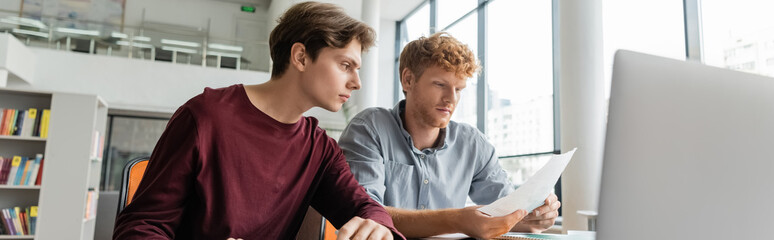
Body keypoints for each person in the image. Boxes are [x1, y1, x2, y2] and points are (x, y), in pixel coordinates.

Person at [113, 2, 404, 239]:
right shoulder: (204, 117)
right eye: (345, 65)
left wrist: (377, 226)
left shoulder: (319, 148)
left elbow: (365, 208)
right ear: (301, 57)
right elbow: (139, 228)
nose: (357, 83)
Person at [338, 32, 560, 239]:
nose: (451, 99)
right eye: (440, 84)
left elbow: (507, 212)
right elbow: (365, 214)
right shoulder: (369, 128)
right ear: (408, 80)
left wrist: (536, 215)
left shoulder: (473, 144)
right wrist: (458, 220)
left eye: (459, 89)